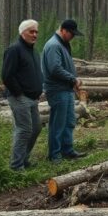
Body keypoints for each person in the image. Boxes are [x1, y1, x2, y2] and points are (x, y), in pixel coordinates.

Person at [1, 19, 44, 171]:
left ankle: (24, 159)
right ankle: (16, 166)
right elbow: (7, 75)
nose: (35, 35)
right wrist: (19, 93)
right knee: (24, 129)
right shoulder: (14, 49)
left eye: (36, 32)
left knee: (36, 128)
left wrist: (37, 91)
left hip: (33, 98)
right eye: (31, 31)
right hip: (19, 97)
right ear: (22, 32)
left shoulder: (33, 50)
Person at [42, 19, 86, 163]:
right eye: (71, 34)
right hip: (57, 90)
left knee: (68, 121)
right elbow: (55, 68)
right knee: (58, 123)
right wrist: (72, 79)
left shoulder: (62, 44)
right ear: (63, 30)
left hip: (65, 89)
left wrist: (72, 81)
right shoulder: (54, 45)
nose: (72, 37)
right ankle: (54, 155)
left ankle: (67, 150)